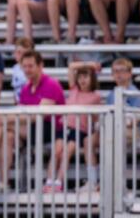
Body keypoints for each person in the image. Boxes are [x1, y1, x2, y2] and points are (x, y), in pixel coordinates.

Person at [0, 51, 66, 188]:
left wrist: (7, 119)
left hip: (51, 130)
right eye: (24, 66)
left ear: (40, 66)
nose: (27, 70)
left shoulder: (51, 84)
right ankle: (3, 183)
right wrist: (9, 119)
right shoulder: (26, 88)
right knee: (7, 136)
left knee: (3, 126)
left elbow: (38, 115)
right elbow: (21, 113)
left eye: (31, 66)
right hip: (31, 130)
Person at [44, 65, 101, 193]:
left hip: (80, 130)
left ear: (92, 78)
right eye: (80, 77)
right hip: (64, 126)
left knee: (66, 152)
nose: (82, 80)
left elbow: (96, 118)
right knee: (56, 151)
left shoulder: (95, 96)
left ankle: (59, 182)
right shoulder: (74, 89)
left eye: (86, 76)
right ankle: (49, 181)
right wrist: (90, 63)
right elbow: (70, 68)